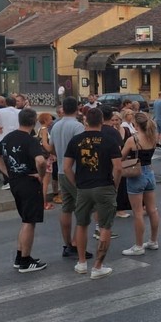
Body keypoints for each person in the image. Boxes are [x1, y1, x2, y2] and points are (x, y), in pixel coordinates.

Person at [63, 107, 123, 279]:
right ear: (102, 120)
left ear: (85, 121)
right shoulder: (109, 140)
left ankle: (81, 262)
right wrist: (115, 186)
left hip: (83, 187)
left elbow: (67, 167)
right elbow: (118, 167)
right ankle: (98, 266)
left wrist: (76, 183)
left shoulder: (75, 140)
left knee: (81, 224)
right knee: (105, 226)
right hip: (104, 186)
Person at [0, 108, 48, 273]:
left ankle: (20, 256)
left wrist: (7, 172)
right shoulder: (30, 140)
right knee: (29, 222)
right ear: (34, 122)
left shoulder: (10, 137)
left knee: (25, 219)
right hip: (29, 182)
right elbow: (41, 161)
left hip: (15, 182)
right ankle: (25, 261)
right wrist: (41, 175)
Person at [50, 97, 90, 260]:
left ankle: (67, 244)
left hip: (61, 170)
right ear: (77, 109)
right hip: (75, 172)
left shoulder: (56, 125)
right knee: (83, 209)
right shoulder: (78, 126)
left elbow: (52, 148)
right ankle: (76, 243)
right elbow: (84, 150)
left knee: (67, 207)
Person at [120, 112, 161, 255]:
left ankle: (138, 246)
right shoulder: (153, 137)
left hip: (136, 173)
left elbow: (121, 157)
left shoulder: (133, 140)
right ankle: (153, 240)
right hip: (149, 172)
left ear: (136, 125)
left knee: (137, 212)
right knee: (152, 209)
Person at [37, 112, 57, 211]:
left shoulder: (40, 129)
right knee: (45, 181)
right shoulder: (45, 130)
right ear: (45, 120)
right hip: (46, 158)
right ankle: (43, 203)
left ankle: (41, 202)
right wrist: (52, 152)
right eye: (50, 119)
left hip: (42, 157)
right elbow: (45, 144)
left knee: (43, 181)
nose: (51, 121)